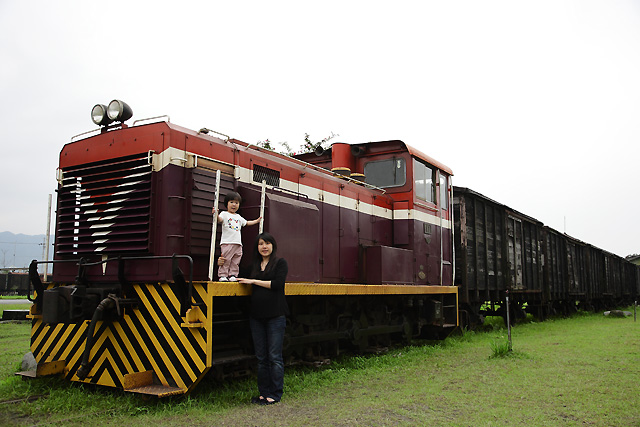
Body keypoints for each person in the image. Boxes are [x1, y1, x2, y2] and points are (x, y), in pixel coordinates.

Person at [237, 232, 289, 405]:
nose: (264, 247)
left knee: (274, 357)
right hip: (257, 317)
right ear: (257, 247)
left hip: (275, 316)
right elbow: (237, 275)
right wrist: (222, 263)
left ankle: (275, 393)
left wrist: (253, 281)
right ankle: (263, 393)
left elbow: (277, 284)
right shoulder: (253, 266)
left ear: (273, 246)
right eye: (260, 244)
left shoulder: (280, 263)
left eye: (267, 243)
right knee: (261, 358)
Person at [213, 191, 261, 282]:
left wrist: (256, 221)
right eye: (231, 202)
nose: (234, 205)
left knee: (236, 260)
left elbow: (247, 223)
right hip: (227, 242)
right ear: (226, 203)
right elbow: (219, 219)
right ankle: (223, 275)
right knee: (226, 260)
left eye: (236, 203)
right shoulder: (224, 214)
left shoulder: (238, 217)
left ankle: (233, 274)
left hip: (238, 243)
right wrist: (216, 214)